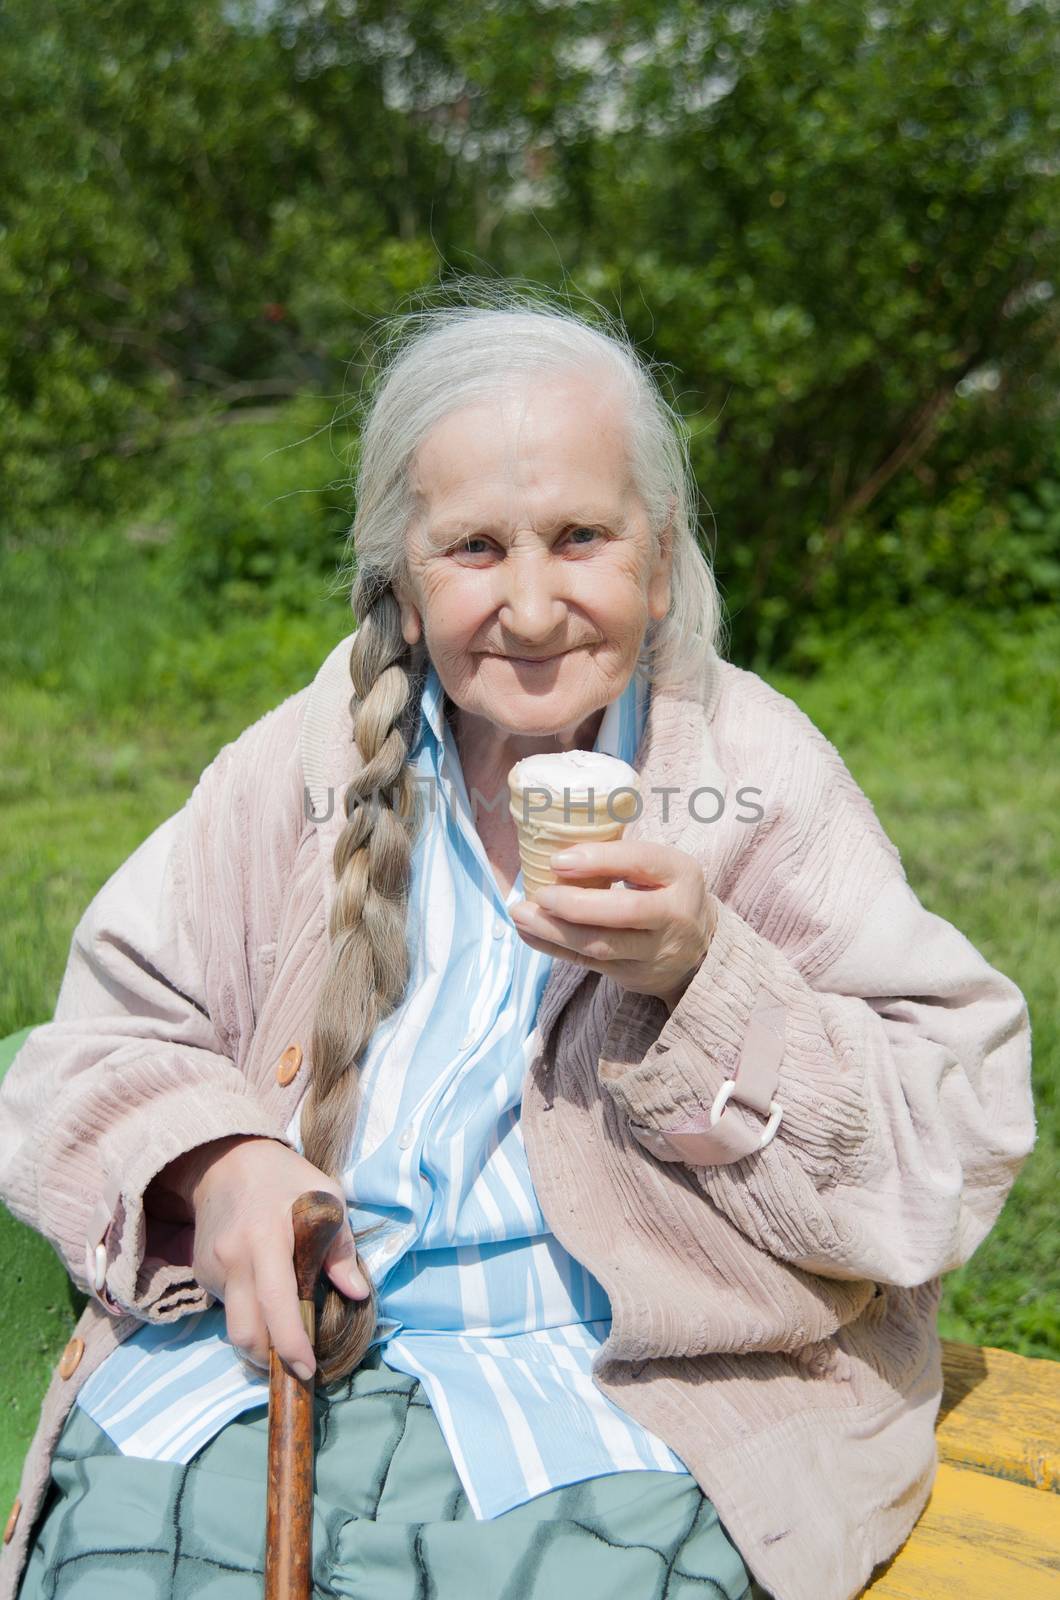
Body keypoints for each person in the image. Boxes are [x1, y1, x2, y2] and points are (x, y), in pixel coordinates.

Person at [0, 288, 1034, 1600]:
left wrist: (702, 978)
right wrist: (219, 1168)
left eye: (581, 538)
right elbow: (87, 1048)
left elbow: (948, 1142)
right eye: (476, 548)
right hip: (265, 1375)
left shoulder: (751, 776)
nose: (534, 607)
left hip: (616, 1407)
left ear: (658, 563)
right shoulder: (301, 767)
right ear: (404, 580)